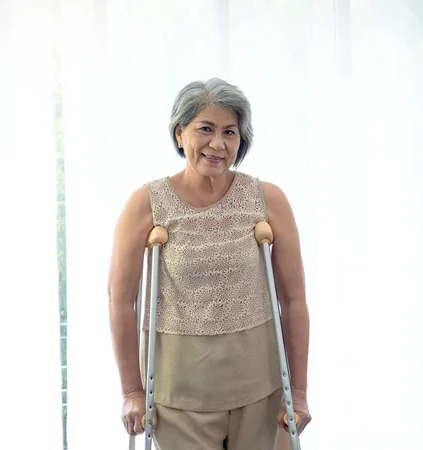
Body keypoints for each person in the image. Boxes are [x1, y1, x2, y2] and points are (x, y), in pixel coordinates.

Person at [107, 78, 311, 449]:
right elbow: (121, 301)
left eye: (230, 132)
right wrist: (132, 391)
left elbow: (294, 300)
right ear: (180, 132)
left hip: (260, 388)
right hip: (178, 394)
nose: (218, 144)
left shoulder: (267, 199)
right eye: (206, 129)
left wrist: (296, 391)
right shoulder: (146, 203)